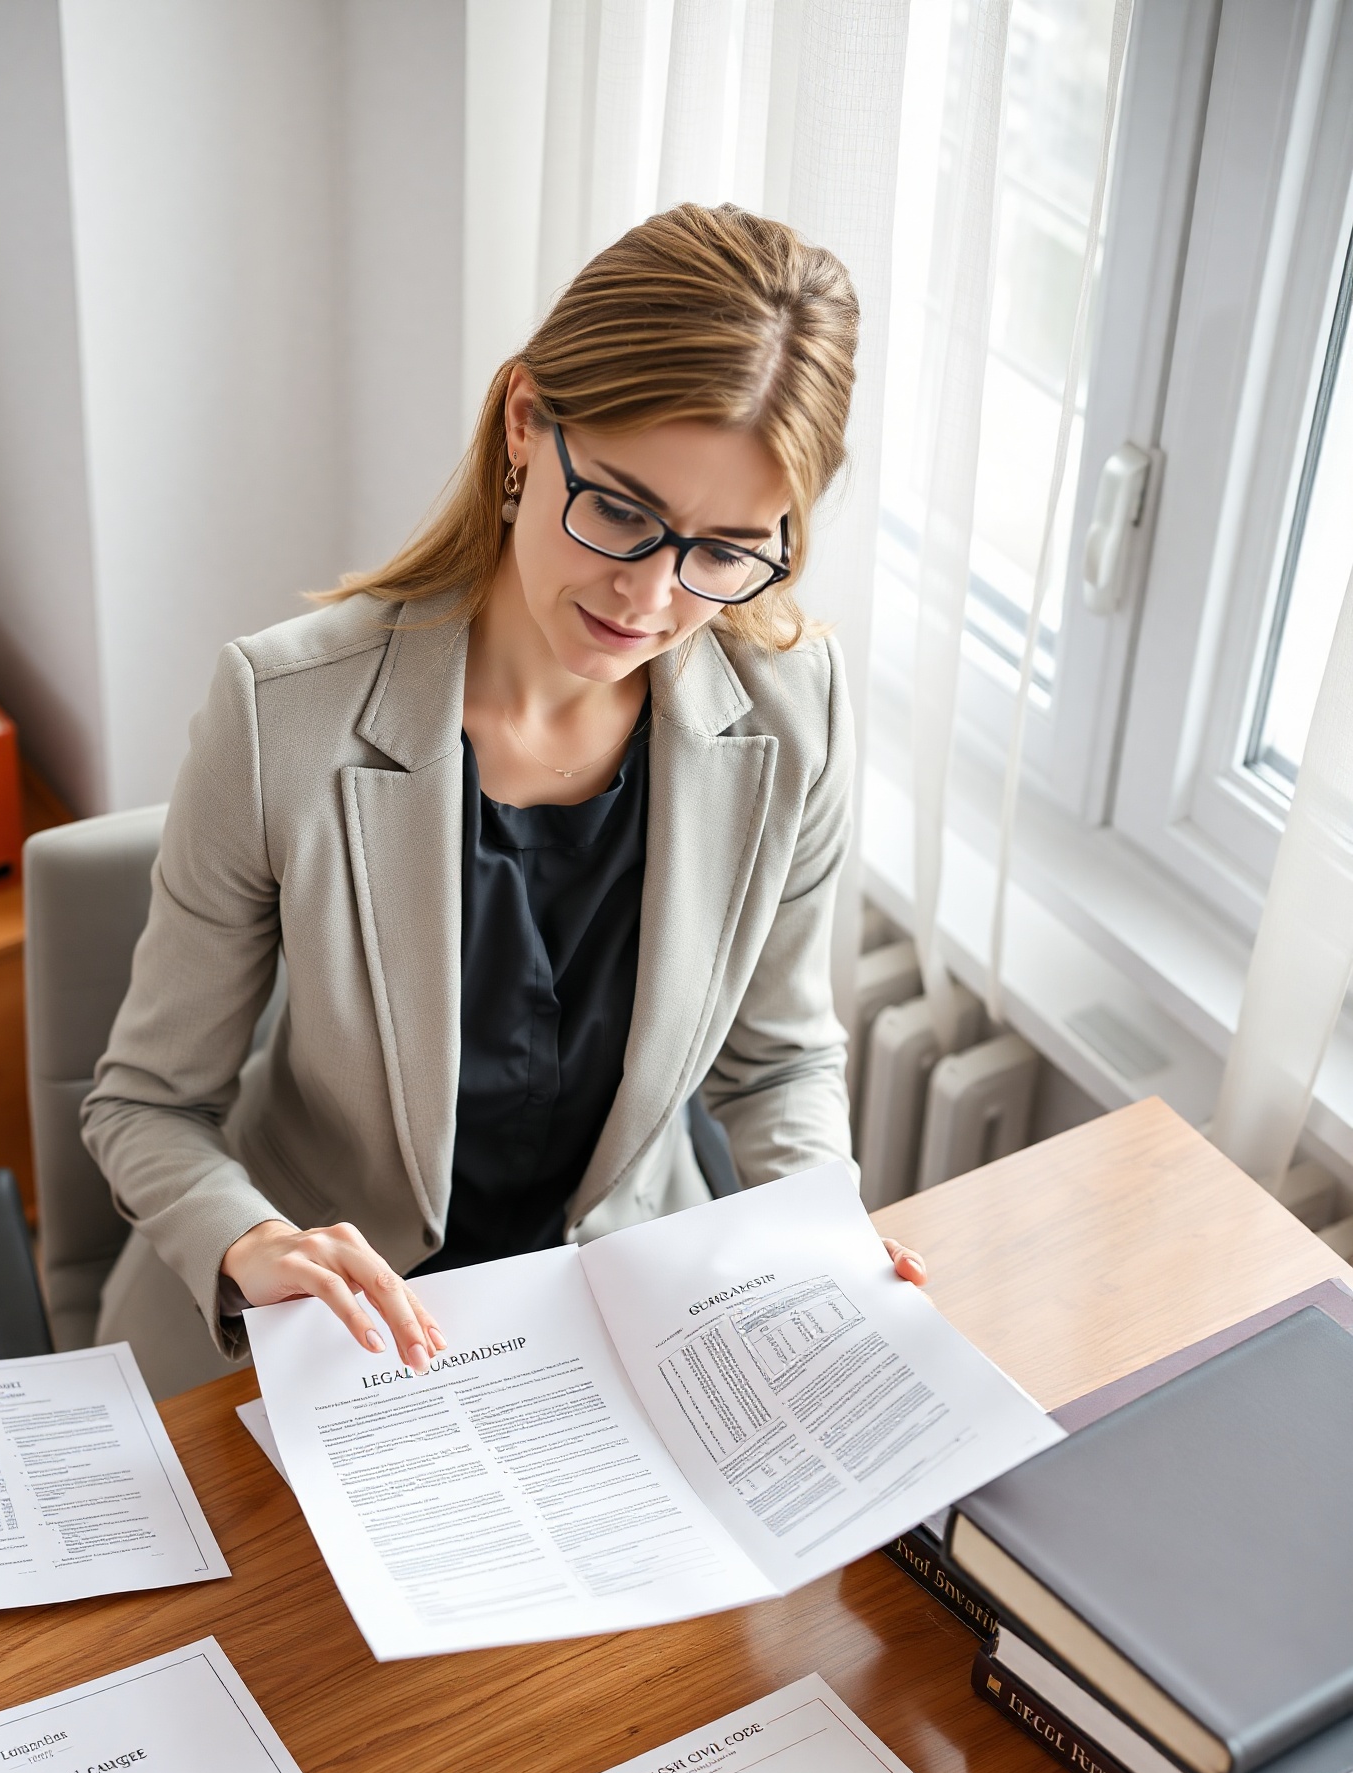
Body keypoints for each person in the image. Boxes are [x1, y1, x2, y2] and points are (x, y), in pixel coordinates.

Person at [81, 202, 925, 1399]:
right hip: (329, 1337)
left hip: (613, 1326)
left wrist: (819, 1229)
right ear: (525, 424)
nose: (650, 597)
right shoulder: (284, 713)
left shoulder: (794, 707)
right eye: (623, 513)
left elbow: (776, 1064)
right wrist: (250, 1244)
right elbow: (145, 1104)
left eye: (726, 549)